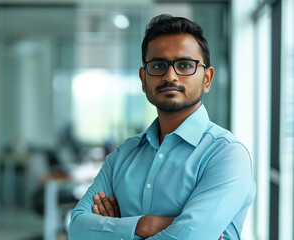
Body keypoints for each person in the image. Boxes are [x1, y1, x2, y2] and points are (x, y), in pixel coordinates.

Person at [68, 14, 256, 240]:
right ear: (143, 79)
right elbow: (78, 228)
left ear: (207, 78)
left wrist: (118, 228)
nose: (170, 76)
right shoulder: (124, 154)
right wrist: (146, 225)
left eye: (185, 65)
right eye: (158, 65)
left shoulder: (227, 154)